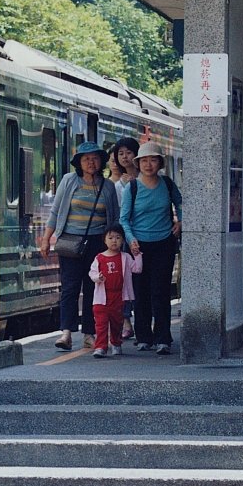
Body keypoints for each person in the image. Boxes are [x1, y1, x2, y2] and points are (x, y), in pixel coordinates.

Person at [40, 141, 119, 351]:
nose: (91, 162)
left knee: (94, 287)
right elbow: (56, 212)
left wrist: (114, 245)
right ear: (79, 162)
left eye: (94, 158)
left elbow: (113, 217)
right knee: (70, 287)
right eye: (86, 159)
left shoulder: (108, 186)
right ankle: (66, 333)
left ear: (101, 161)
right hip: (70, 241)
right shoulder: (69, 181)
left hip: (97, 243)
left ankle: (89, 334)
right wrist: (46, 238)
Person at [120, 140, 182, 356]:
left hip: (164, 243)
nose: (148, 165)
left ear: (160, 163)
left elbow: (180, 204)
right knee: (141, 292)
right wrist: (130, 239)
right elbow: (124, 219)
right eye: (144, 160)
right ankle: (144, 336)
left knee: (161, 291)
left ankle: (163, 337)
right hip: (139, 246)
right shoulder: (132, 187)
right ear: (138, 163)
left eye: (153, 160)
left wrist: (180, 222)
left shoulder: (167, 184)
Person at [88, 224, 141, 358]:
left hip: (119, 297)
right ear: (104, 240)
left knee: (117, 322)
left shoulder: (126, 257)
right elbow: (92, 273)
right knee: (101, 324)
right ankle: (101, 347)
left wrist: (137, 255)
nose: (114, 240)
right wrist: (97, 278)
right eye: (110, 238)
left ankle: (116, 343)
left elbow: (137, 269)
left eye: (118, 237)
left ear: (123, 240)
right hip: (102, 297)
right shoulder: (99, 258)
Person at [110, 136, 140, 341]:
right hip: (123, 238)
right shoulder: (114, 184)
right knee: (124, 282)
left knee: (140, 282)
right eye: (120, 153)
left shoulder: (149, 178)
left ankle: (144, 323)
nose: (125, 157)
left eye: (129, 152)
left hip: (143, 236)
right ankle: (126, 321)